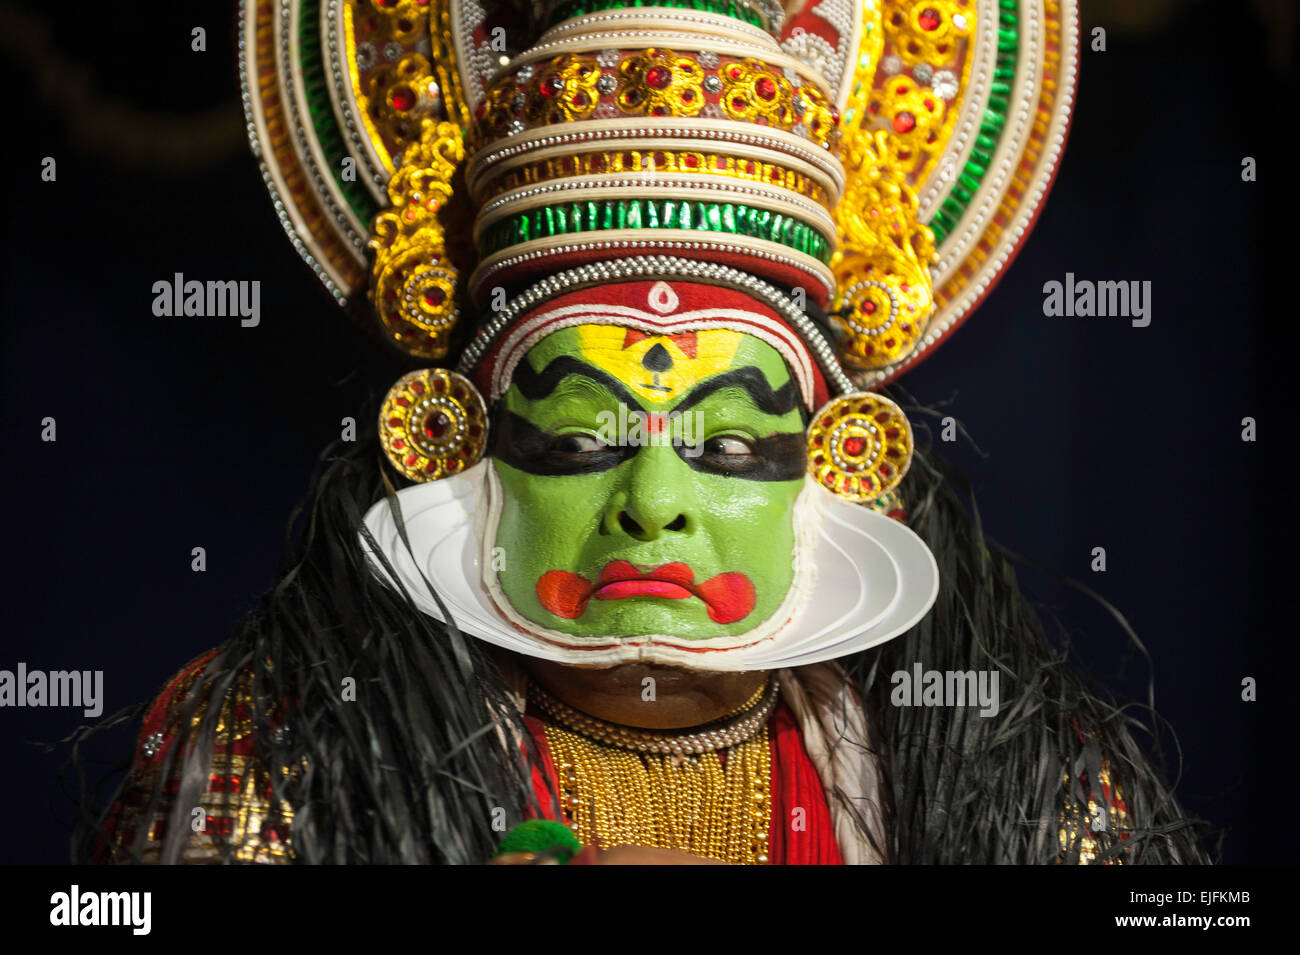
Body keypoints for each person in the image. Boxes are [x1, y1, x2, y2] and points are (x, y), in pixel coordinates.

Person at [86, 0, 1210, 865]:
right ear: (457, 447)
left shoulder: (1020, 785)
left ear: (838, 464)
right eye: (579, 440)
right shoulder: (272, 748)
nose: (653, 501)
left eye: (728, 447)